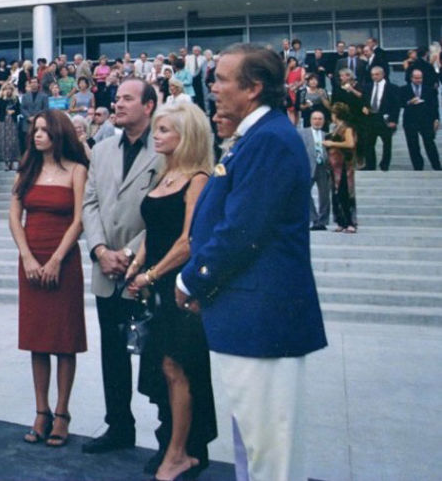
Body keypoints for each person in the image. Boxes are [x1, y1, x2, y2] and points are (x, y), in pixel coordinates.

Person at [177, 43, 327, 481]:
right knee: (254, 448)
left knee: (270, 457)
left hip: (264, 320)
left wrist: (193, 280)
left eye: (222, 78)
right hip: (250, 317)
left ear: (254, 87)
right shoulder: (258, 136)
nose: (214, 86)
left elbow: (243, 231)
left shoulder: (270, 140)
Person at [123, 103, 216, 480]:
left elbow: (188, 241)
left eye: (164, 130)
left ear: (186, 136)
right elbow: (155, 230)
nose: (156, 135)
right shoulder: (163, 175)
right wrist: (136, 264)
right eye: (157, 129)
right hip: (155, 284)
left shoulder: (198, 178)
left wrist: (151, 274)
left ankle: (181, 452)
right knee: (162, 369)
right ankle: (171, 445)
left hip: (181, 288)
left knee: (176, 367)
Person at [81, 77, 163, 455]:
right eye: (116, 98)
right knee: (113, 353)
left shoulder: (165, 149)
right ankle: (118, 426)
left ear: (149, 105)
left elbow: (164, 214)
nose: (118, 104)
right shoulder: (101, 149)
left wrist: (128, 255)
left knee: (157, 357)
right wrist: (100, 250)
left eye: (128, 98)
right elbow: (90, 204)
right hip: (105, 270)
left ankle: (168, 438)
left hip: (144, 270)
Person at [8, 110, 88, 448]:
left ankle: (62, 413)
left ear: (59, 134)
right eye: (35, 129)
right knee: (37, 339)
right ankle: (41, 411)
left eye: (44, 130)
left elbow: (80, 220)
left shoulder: (77, 170)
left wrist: (56, 259)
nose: (37, 135)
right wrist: (27, 256)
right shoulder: (26, 170)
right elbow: (14, 216)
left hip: (64, 261)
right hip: (30, 259)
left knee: (63, 339)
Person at [325, 102, 359, 233]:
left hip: (344, 164)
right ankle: (341, 221)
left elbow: (350, 144)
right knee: (336, 193)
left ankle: (350, 222)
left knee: (345, 193)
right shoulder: (336, 127)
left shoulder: (347, 128)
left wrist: (332, 142)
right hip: (335, 165)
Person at [359, 66, 400, 171]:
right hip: (371, 118)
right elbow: (364, 100)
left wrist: (393, 120)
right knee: (369, 143)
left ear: (383, 74)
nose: (374, 77)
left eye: (377, 74)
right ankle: (370, 165)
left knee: (386, 143)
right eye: (372, 75)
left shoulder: (392, 88)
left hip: (384, 118)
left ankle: (384, 164)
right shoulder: (367, 87)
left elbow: (396, 106)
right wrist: (364, 106)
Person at [402, 68, 441, 171]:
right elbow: (399, 103)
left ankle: (436, 166)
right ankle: (418, 167)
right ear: (411, 78)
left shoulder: (430, 90)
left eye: (420, 78)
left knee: (429, 143)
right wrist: (409, 102)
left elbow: (434, 106)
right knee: (413, 145)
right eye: (416, 78)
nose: (418, 80)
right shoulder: (404, 89)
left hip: (426, 120)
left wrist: (436, 119)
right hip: (410, 121)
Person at [299, 111, 332, 231]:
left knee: (324, 196)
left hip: (323, 167)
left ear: (324, 121)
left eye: (320, 119)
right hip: (308, 167)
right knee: (304, 193)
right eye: (315, 119)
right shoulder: (303, 133)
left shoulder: (327, 135)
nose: (317, 121)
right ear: (311, 120)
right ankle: (314, 218)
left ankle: (322, 221)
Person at [0, 83, 22, 170]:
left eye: (10, 89)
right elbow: (1, 108)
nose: (8, 91)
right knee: (4, 141)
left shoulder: (15, 99)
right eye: (6, 89)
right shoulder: (0, 99)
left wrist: (14, 112)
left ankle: (12, 162)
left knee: (12, 141)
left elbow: (19, 110)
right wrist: (5, 97)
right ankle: (6, 163)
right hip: (3, 122)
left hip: (12, 122)